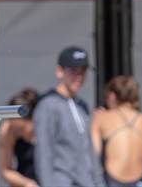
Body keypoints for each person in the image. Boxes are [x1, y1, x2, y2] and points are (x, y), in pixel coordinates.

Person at [33, 45, 105, 187]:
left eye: (83, 71)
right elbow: (44, 153)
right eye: (73, 71)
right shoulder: (48, 105)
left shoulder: (82, 106)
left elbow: (89, 150)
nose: (79, 76)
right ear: (60, 71)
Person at [91, 76, 142, 187]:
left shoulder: (101, 119)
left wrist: (95, 119)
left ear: (112, 96)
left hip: (111, 181)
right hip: (140, 182)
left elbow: (93, 156)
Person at [0, 87, 39, 187]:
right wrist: (28, 183)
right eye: (16, 129)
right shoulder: (8, 130)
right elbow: (5, 170)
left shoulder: (49, 125)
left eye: (21, 129)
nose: (19, 133)